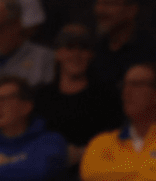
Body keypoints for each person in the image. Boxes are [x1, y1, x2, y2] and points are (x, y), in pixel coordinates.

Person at [34, 25, 122, 165]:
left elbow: (117, 138)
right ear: (58, 54)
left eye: (83, 48)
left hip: (97, 167)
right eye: (69, 48)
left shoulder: (107, 95)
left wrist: (84, 153)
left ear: (91, 54)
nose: (76, 54)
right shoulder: (42, 96)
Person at [88, 0, 156, 91]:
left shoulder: (153, 52)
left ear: (132, 10)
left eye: (109, 4)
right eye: (98, 3)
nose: (100, 10)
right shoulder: (92, 51)